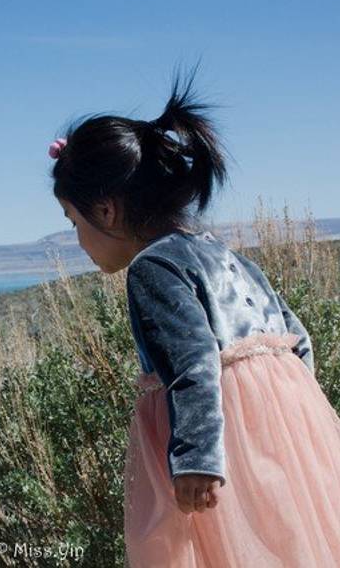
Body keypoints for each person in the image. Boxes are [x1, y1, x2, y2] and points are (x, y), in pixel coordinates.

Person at [48, 65, 340, 567]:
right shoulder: (228, 257)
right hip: (278, 448)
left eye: (75, 221)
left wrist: (197, 459)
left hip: (217, 449)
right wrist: (295, 429)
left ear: (107, 210)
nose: (79, 240)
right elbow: (298, 341)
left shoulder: (153, 267)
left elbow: (193, 362)